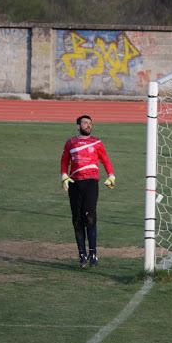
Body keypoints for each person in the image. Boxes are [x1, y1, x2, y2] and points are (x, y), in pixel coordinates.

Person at [61, 115, 115, 268]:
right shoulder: (70, 142)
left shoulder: (97, 143)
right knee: (77, 220)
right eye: (85, 123)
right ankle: (82, 255)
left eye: (90, 123)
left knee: (90, 218)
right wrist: (64, 176)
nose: (88, 125)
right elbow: (64, 160)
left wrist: (111, 176)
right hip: (75, 183)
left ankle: (93, 254)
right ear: (78, 126)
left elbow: (105, 160)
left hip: (91, 182)